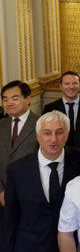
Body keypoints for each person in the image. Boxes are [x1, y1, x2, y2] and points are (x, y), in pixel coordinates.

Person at [4, 111, 80, 252]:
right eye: (47, 133)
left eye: (59, 132)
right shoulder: (17, 169)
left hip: (72, 245)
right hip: (29, 246)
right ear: (38, 136)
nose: (53, 139)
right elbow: (10, 217)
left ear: (67, 135)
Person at [0, 81, 39, 210]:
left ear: (27, 99)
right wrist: (1, 191)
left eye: (14, 98)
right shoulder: (1, 125)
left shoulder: (41, 124)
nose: (9, 103)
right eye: (5, 99)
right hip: (2, 195)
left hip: (31, 195)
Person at [42, 71, 80, 147]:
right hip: (60, 150)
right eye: (67, 84)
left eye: (75, 83)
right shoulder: (50, 108)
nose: (71, 87)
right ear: (60, 86)